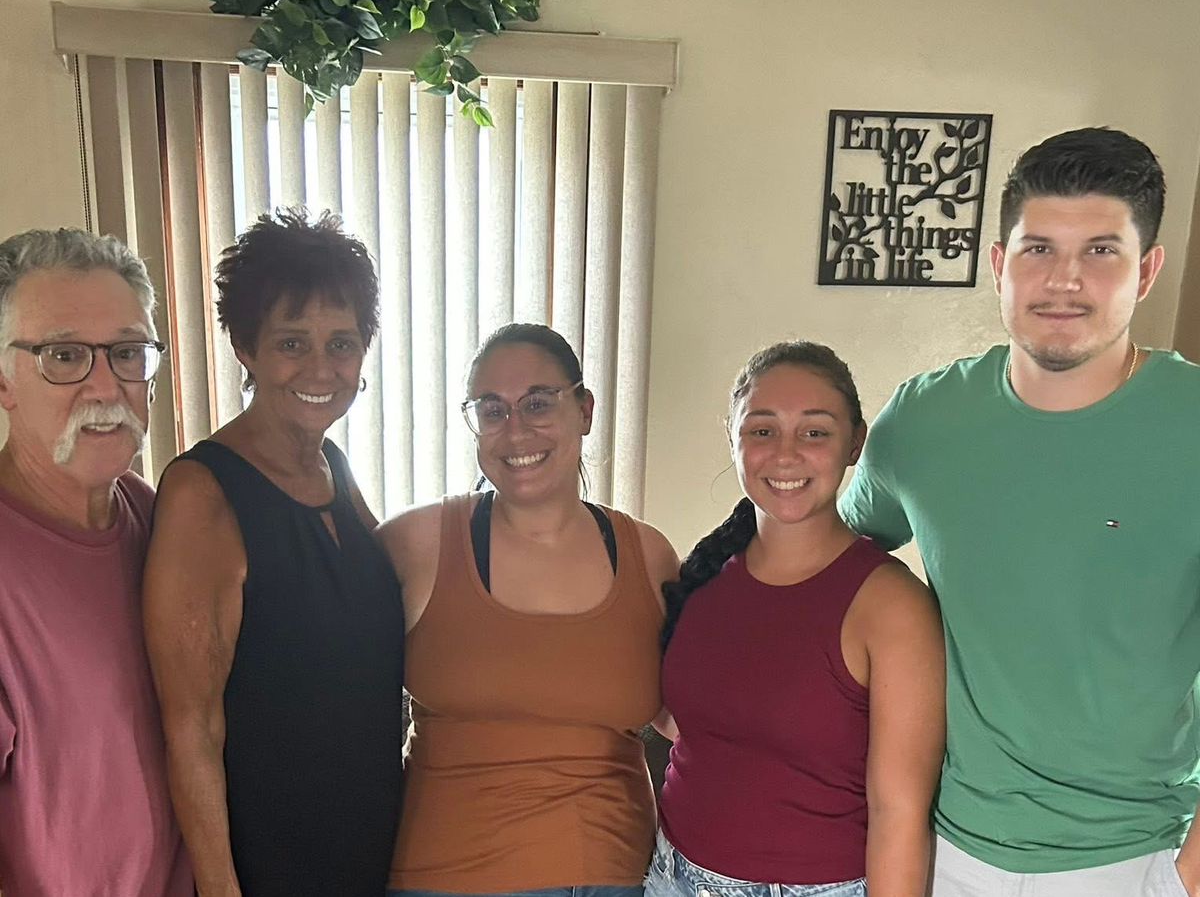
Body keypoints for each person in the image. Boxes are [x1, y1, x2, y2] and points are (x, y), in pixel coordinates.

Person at [839, 127, 1200, 897]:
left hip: (1137, 854)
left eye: (1100, 250)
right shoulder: (924, 419)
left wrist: (1187, 877)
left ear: (1146, 271)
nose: (1064, 280)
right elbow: (830, 557)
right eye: (1039, 249)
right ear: (999, 265)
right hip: (949, 846)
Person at [142, 208, 405, 897]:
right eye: (292, 342)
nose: (321, 367)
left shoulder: (335, 468)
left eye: (342, 343)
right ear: (245, 348)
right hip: (272, 862)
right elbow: (192, 729)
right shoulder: (202, 492)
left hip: (371, 843)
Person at [377, 322, 679, 897]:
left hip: (616, 875)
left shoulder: (649, 554)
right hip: (448, 877)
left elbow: (689, 715)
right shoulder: (415, 544)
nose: (516, 430)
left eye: (538, 403)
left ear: (584, 410)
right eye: (492, 411)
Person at [647, 341, 944, 897]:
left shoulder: (891, 605)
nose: (785, 455)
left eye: (814, 432)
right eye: (762, 430)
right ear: (732, 437)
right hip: (671, 876)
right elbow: (688, 723)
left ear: (854, 443)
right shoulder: (704, 573)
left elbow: (899, 815)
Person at [0, 228, 192, 897]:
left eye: (128, 353)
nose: (105, 386)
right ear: (3, 382)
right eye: (64, 356)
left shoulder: (156, 518)